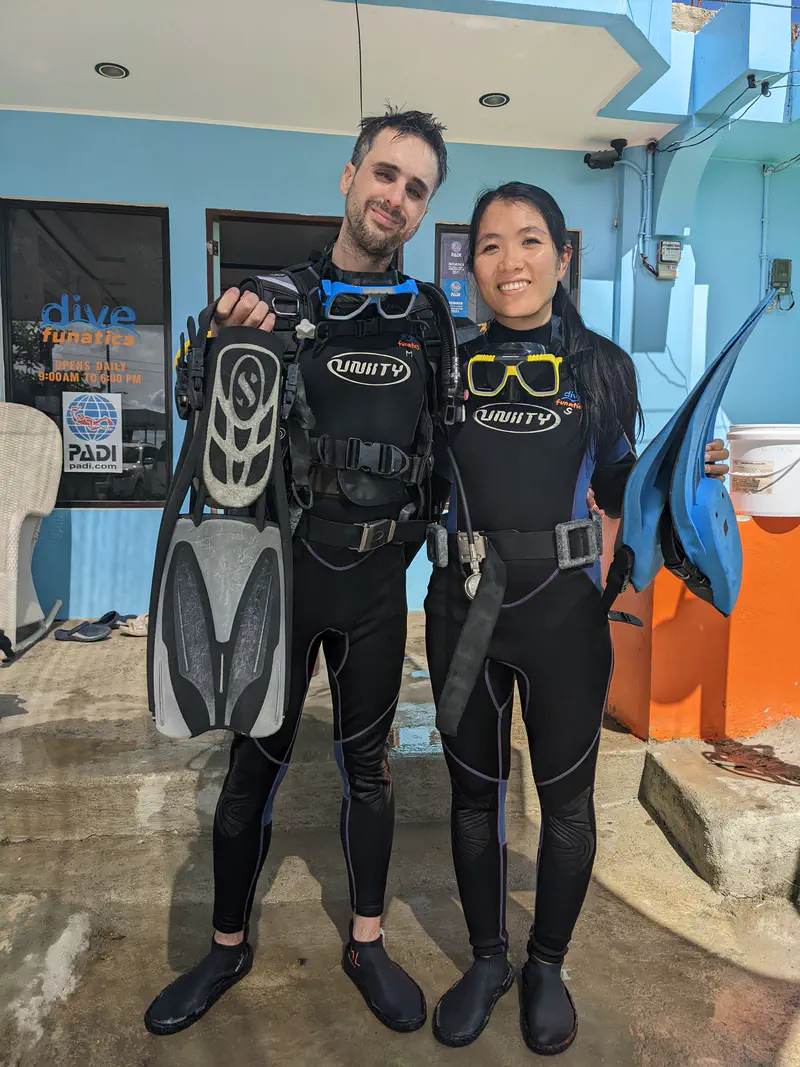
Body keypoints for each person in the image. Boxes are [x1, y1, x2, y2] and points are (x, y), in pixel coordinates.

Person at [145, 108, 452, 1037]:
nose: (395, 198)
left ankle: (366, 939)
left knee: (371, 775)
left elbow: (447, 446)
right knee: (251, 771)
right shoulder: (274, 295)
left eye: (416, 189)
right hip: (282, 578)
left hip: (374, 592)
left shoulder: (428, 321)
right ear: (350, 175)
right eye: (385, 175)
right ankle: (228, 945)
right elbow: (208, 405)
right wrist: (220, 335)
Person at [424, 182, 729, 1054]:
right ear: (471, 263)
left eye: (529, 242)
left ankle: (545, 962)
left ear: (562, 257)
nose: (509, 262)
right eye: (489, 245)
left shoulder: (602, 369)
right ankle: (488, 959)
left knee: (564, 806)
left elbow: (620, 489)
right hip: (462, 609)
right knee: (474, 801)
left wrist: (692, 471)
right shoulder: (447, 366)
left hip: (561, 615)